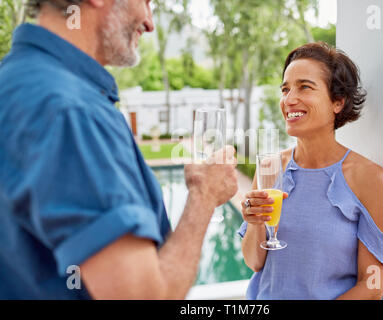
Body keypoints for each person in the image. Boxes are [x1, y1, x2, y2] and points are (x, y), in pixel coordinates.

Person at [0, 0, 238, 299]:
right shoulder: (73, 112)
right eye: (147, 2)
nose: (150, 23)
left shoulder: (15, 81)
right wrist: (204, 195)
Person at [238, 42, 383, 300]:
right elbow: (254, 262)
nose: (289, 99)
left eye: (305, 87)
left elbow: (372, 285)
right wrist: (254, 222)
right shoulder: (270, 167)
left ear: (337, 101)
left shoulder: (370, 179)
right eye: (285, 89)